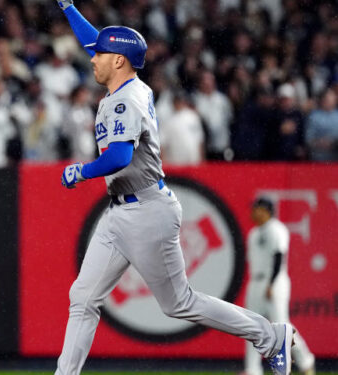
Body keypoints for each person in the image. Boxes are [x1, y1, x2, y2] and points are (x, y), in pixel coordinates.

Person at [53, 1, 294, 374]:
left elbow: (117, 158)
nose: (92, 57)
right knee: (82, 296)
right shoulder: (127, 83)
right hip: (120, 211)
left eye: (101, 54)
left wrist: (80, 172)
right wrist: (68, 7)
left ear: (118, 60)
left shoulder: (127, 101)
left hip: (147, 210)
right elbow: (94, 42)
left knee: (179, 303)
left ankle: (269, 336)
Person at [243, 198, 315, 375]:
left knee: (282, 327)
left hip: (274, 281)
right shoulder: (253, 233)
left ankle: (306, 362)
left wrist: (271, 283)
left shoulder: (277, 229)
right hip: (256, 281)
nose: (252, 212)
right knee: (251, 327)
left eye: (256, 208)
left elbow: (278, 256)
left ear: (265, 210)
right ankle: (252, 370)